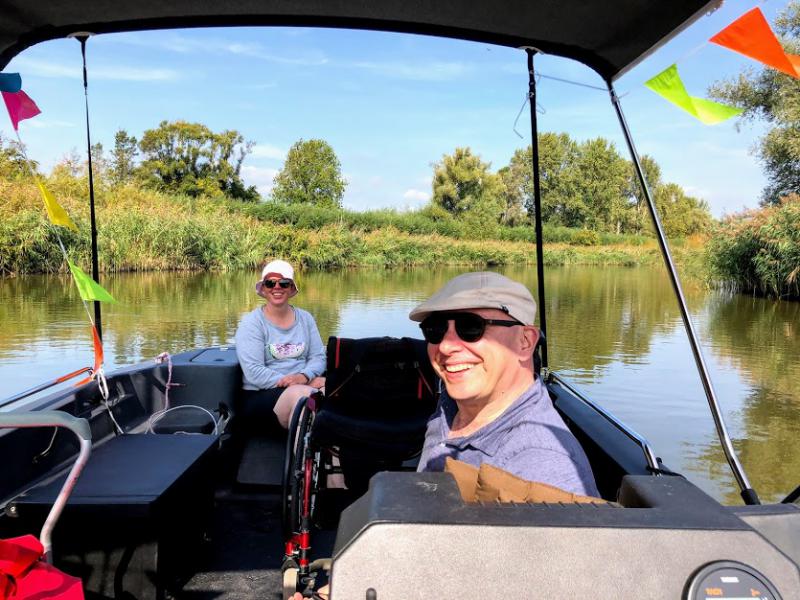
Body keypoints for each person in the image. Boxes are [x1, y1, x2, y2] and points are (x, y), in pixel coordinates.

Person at [409, 271, 599, 497]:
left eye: (471, 328)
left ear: (525, 341)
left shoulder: (540, 466)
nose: (446, 347)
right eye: (436, 329)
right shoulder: (455, 401)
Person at [235, 259, 326, 431]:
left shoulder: (306, 319)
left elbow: (318, 357)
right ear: (263, 289)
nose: (277, 287)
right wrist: (301, 383)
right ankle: (299, 456)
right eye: (270, 283)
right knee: (303, 397)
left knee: (334, 392)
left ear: (291, 289)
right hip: (262, 395)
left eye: (284, 283)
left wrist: (304, 376)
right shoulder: (252, 323)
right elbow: (254, 371)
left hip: (303, 384)